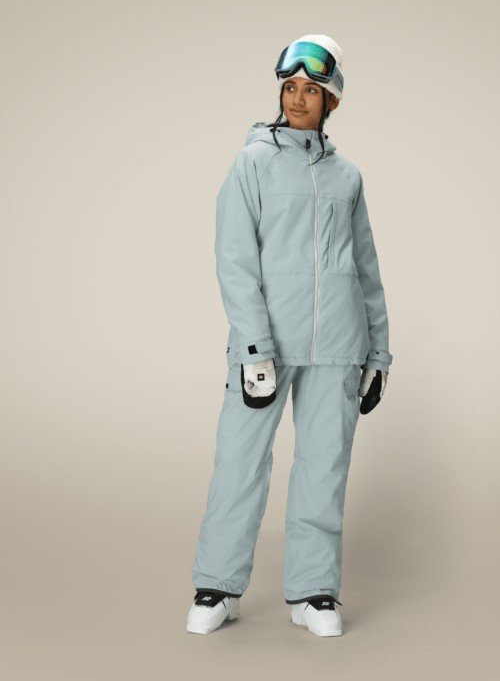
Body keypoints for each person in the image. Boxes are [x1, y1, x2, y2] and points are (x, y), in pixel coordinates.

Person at [187, 34, 393, 637]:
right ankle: (217, 586)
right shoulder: (251, 163)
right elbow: (234, 260)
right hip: (267, 348)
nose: (298, 98)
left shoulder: (347, 176)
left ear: (333, 102)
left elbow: (366, 268)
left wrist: (379, 353)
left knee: (324, 467)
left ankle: (314, 593)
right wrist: (254, 347)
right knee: (240, 465)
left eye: (312, 90)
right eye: (290, 87)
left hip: (339, 347)